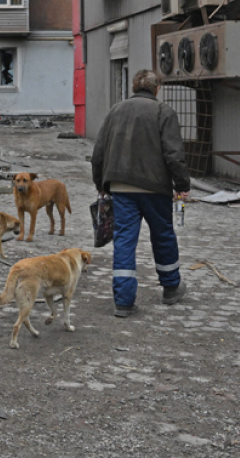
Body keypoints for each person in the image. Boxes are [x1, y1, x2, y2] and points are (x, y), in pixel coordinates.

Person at [91, 69, 191, 317]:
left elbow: (99, 151)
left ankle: (123, 302)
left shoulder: (116, 111)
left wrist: (101, 184)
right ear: (157, 89)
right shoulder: (163, 112)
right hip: (155, 188)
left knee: (124, 240)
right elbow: (174, 154)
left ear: (134, 87)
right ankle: (170, 288)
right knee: (163, 235)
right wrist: (182, 185)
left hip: (122, 187)